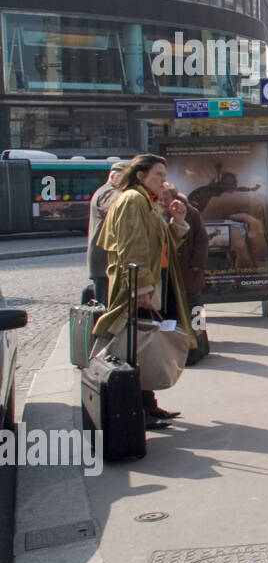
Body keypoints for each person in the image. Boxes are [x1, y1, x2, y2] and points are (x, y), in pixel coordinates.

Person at [91, 154, 195, 428]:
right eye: (158, 174)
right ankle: (138, 409)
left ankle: (148, 406)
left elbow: (160, 244)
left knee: (142, 346)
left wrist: (177, 221)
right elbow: (131, 246)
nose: (163, 180)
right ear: (141, 175)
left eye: (163, 174)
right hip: (138, 286)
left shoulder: (144, 201)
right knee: (134, 347)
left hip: (150, 282)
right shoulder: (133, 200)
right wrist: (141, 289)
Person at [87, 161, 131, 304]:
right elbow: (116, 204)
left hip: (109, 262)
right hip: (105, 261)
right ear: (114, 177)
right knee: (105, 307)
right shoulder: (107, 192)